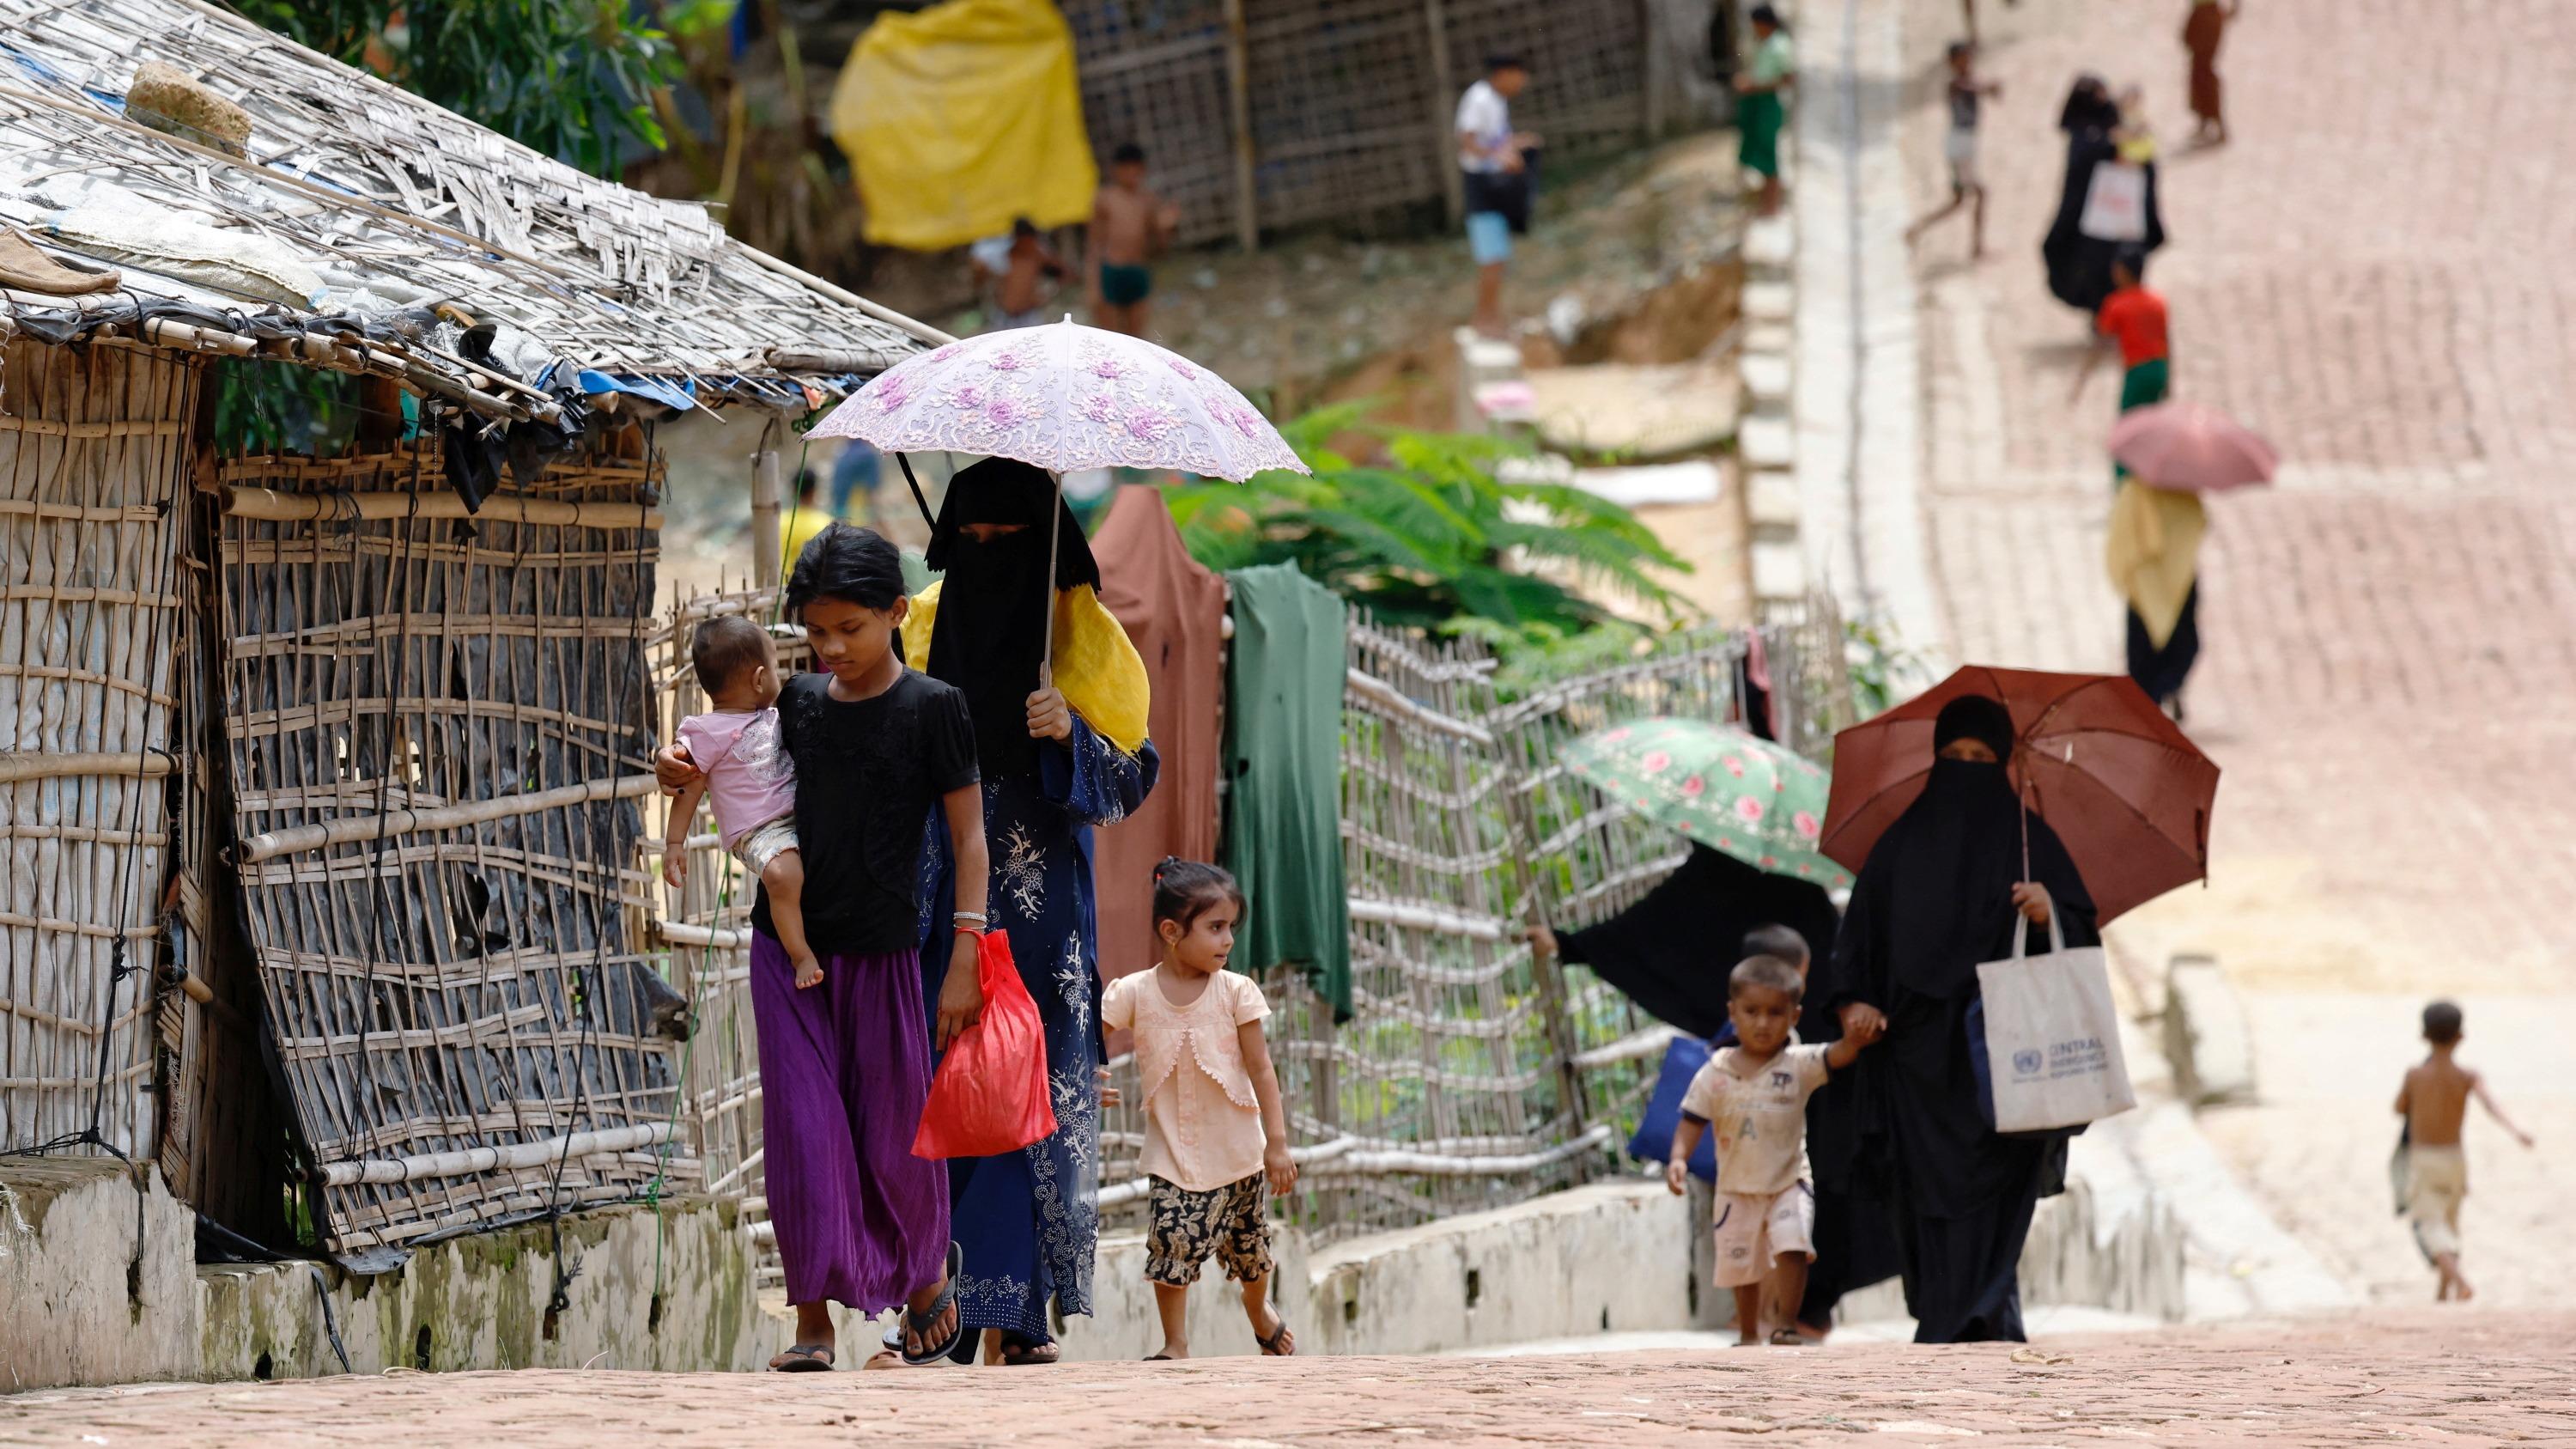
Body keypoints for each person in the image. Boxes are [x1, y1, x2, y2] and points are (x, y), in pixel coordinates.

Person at [652, 524, 987, 1372]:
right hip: (789, 952)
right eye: (816, 630)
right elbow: (722, 749)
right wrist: (675, 766)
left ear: (897, 613)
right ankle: (813, 1323)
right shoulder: (793, 703)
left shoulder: (934, 708)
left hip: (883, 954)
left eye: (851, 628)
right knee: (804, 1132)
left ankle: (921, 1283)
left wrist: (965, 951)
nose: (831, 647)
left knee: (890, 1134)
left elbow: (971, 839)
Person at [908, 458, 1162, 1366]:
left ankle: (1008, 1312)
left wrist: (1072, 736)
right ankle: (943, 1303)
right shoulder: (925, 625)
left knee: (1025, 1095)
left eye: (1006, 544)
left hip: (1045, 906)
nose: (984, 557)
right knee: (943, 1092)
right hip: (940, 901)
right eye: (967, 542)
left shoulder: (1089, 643)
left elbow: (1131, 779)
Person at [1823, 694, 2099, 1343]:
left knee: (2000, 1188)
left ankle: (1970, 1315)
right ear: (1935, 759)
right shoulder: (1900, 844)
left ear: (2003, 762)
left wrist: (2048, 912)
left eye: (1981, 757)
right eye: (1954, 757)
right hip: (1914, 1060)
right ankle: (1966, 1313)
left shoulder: (2030, 842)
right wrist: (1854, 1000)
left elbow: (2080, 935)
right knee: (1923, 1197)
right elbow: (1857, 940)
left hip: (2005, 1055)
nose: (1967, 769)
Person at [1103, 859, 1298, 1361]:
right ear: (1172, 931)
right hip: (1174, 1157)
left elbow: (1262, 1071)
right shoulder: (1134, 994)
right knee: (1170, 1244)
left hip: (1239, 1157)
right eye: (1215, 927)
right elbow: (1088, 1039)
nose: (1228, 939)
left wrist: (1276, 1145)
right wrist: (1087, 1074)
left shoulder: (1236, 993)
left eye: (1231, 926)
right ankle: (1175, 1343)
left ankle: (1258, 1311)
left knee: (1251, 1255)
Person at [1668, 955, 1881, 1345]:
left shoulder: (1798, 1065)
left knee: (1794, 1244)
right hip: (1735, 1188)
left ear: (1794, 1016)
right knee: (1741, 1264)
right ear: (1733, 1013)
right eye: (1752, 1012)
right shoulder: (1714, 1072)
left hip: (1789, 1181)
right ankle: (1749, 1331)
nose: (1763, 1023)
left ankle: (1785, 1323)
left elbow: (1835, 1055)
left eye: (1774, 1013)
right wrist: (1679, 1158)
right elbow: (1692, 1119)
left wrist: (1855, 1040)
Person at [662, 617, 816, 984]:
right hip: (758, 831)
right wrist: (673, 842)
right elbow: (689, 788)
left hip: (798, 818)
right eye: (776, 667)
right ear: (759, 678)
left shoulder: (774, 716)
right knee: (784, 876)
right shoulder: (704, 731)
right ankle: (801, 955)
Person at [2395, 1001, 2534, 1303]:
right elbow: (2491, 1105)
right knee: (2451, 1222)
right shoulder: (2468, 1075)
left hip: (2424, 1159)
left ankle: (2460, 1281)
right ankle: (2443, 1292)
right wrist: (2517, 1131)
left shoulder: (2415, 1075)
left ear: (2423, 1036)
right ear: (2461, 1036)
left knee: (2430, 1224)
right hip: (2456, 1159)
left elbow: (2399, 1108)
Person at [2044, 77, 2163, 314]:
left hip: (2120, 221)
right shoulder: (2085, 138)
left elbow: (2141, 158)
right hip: (2090, 224)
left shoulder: (2114, 131)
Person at [2105, 476, 2205, 721]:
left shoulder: (2133, 493)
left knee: (2143, 653)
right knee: (2180, 644)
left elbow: (2122, 541)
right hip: (2176, 580)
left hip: (2146, 584)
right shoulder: (2184, 493)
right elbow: (2196, 524)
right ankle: (2166, 689)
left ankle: (2150, 704)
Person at [1455, 54, 1534, 338]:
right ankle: (1484, 320)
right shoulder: (1479, 98)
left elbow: (1494, 140)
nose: (1523, 82)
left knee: (1498, 257)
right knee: (1491, 257)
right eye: (1520, 74)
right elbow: (1468, 140)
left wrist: (1516, 143)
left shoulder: (1496, 101)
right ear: (1505, 73)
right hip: (1482, 186)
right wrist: (1499, 155)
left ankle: (1491, 317)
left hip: (1495, 184)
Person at [1906, 42, 2002, 260]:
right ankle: (1976, 248)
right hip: (1960, 144)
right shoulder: (1955, 84)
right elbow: (1974, 89)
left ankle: (1918, 229)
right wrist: (1989, 89)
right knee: (1977, 194)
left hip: (1965, 143)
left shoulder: (1967, 81)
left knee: (1961, 200)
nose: (1967, 61)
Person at [2072, 246, 2169, 427]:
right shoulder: (2157, 302)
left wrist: (2083, 377)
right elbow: (2166, 342)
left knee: (2129, 424)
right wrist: (2170, 378)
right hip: (2159, 369)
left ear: (2124, 272)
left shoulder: (2117, 305)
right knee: (2152, 423)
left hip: (2137, 370)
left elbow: (2101, 342)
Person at [1090, 145, 1179, 338]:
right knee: (1110, 338)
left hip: (1137, 270)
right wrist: (1093, 286)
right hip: (1112, 270)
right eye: (1126, 168)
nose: (1131, 173)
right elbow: (1095, 244)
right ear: (1117, 170)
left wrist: (1167, 227)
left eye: (1136, 168)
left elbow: (1160, 245)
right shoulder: (1105, 199)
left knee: (1137, 339)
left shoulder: (1147, 200)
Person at [1735, 6, 1795, 218]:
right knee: (1759, 152)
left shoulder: (1780, 45)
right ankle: (1765, 204)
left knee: (1769, 155)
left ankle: (1772, 206)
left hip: (1770, 104)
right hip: (1757, 103)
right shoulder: (1762, 43)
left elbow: (1788, 79)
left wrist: (1755, 87)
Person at [2183, 1, 2242, 145]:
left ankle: (2217, 122)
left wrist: (2235, 8)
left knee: (2205, 72)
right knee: (2197, 71)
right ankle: (2204, 119)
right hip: (2199, 12)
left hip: (2208, 14)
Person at [779, 469, 835, 582]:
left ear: (793, 490)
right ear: (814, 491)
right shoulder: (827, 524)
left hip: (783, 588)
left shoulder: (779, 522)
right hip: (815, 593)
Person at [831, 439, 884, 530]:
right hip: (857, 516)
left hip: (840, 518)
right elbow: (871, 492)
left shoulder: (842, 453)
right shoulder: (867, 455)